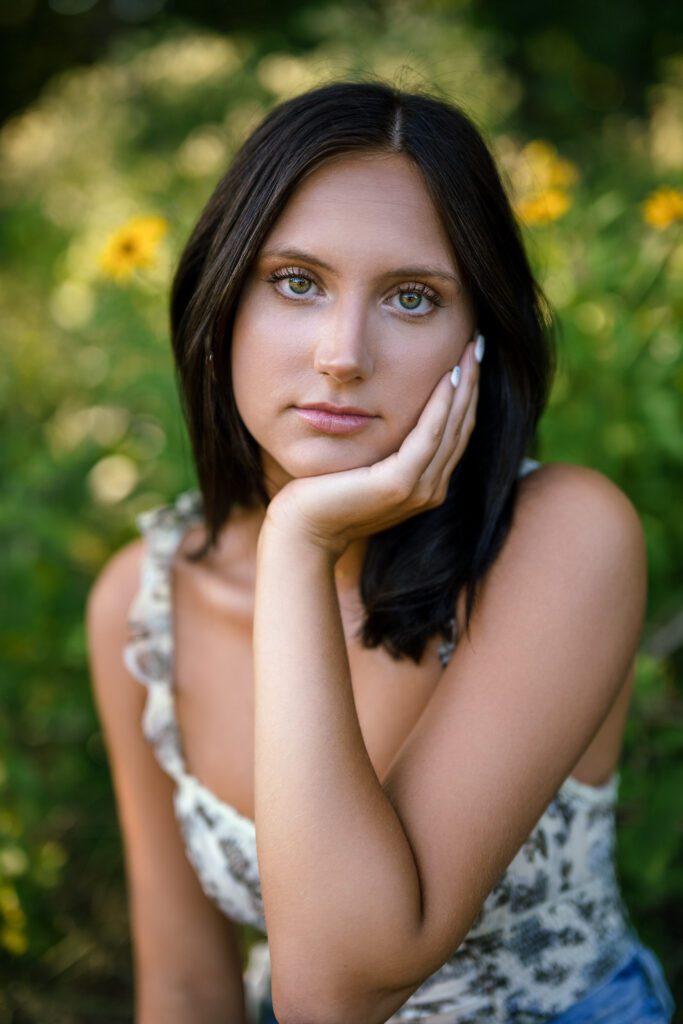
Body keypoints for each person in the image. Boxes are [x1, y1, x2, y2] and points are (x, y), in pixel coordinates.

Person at [85, 79, 676, 1024]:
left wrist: (296, 549)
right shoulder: (143, 601)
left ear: (475, 340)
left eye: (411, 297)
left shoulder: (564, 536)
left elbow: (334, 988)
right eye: (295, 282)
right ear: (221, 300)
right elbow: (189, 989)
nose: (340, 354)